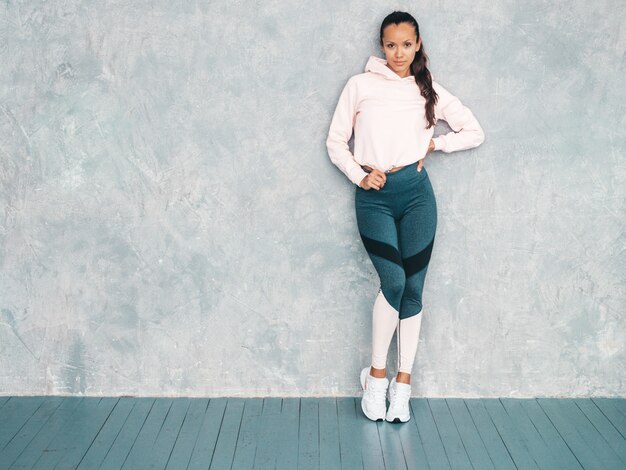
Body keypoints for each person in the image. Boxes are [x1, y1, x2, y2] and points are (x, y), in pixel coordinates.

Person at [326, 11, 485, 423]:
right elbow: (335, 141)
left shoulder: (426, 88)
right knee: (393, 282)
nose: (399, 53)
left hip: (417, 197)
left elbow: (474, 131)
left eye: (407, 45)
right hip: (375, 198)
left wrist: (435, 146)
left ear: (418, 46)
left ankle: (402, 387)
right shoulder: (359, 85)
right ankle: (375, 378)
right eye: (391, 45)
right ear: (382, 46)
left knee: (413, 289)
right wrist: (359, 175)